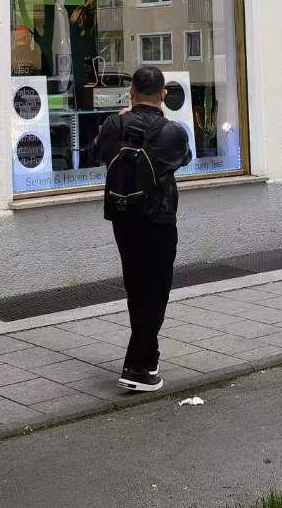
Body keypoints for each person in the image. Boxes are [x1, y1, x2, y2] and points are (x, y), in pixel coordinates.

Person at [95, 64, 192, 393]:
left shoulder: (113, 124)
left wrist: (122, 122)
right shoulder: (172, 131)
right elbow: (184, 158)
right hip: (158, 218)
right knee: (156, 290)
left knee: (136, 287)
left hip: (123, 216)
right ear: (163, 94)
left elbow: (99, 152)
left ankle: (149, 358)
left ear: (131, 92)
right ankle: (136, 367)